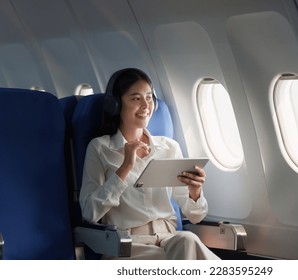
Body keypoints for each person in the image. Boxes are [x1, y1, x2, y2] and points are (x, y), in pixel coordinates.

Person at [79, 68, 220, 260]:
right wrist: (125, 167)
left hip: (170, 239)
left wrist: (194, 193)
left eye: (149, 97)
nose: (146, 105)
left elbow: (195, 217)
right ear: (116, 105)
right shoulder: (100, 148)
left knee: (187, 240)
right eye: (136, 98)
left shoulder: (169, 147)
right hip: (128, 246)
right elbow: (90, 213)